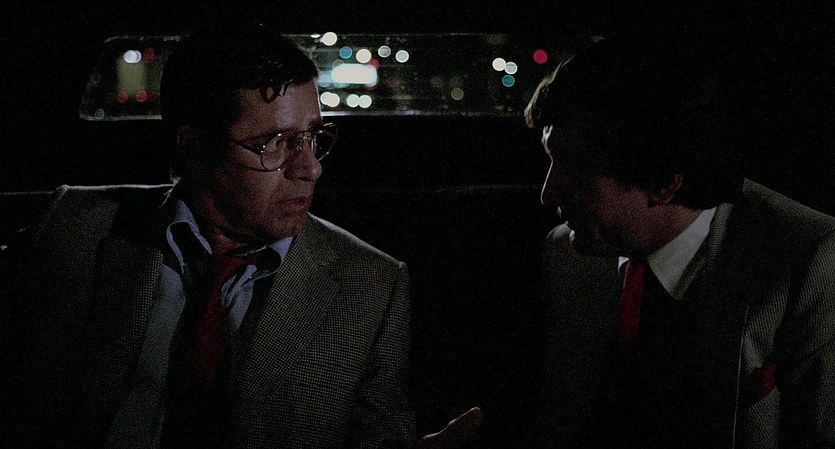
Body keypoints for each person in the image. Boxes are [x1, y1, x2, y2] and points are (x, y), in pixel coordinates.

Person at [0, 15, 453, 449]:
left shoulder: (371, 285)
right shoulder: (74, 227)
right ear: (194, 146)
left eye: (314, 137)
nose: (310, 168)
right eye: (273, 143)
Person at [524, 32, 835, 448]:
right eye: (551, 160)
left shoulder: (808, 264)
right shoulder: (567, 253)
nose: (548, 194)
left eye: (577, 168)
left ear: (664, 182)